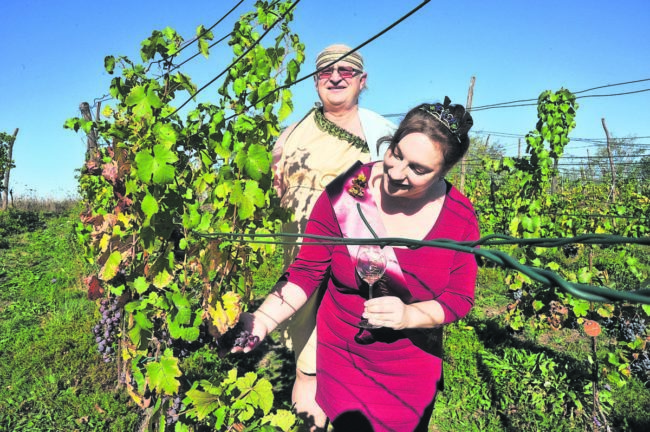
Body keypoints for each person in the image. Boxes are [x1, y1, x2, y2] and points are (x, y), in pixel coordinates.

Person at [234, 97, 479, 431]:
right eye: (396, 152)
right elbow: (306, 273)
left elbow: (458, 298)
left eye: (418, 169)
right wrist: (261, 320)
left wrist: (411, 315)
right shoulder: (349, 193)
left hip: (411, 368)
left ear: (445, 171)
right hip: (344, 358)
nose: (396, 171)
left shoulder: (459, 217)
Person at [271, 44, 396, 430]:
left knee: (361, 363)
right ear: (315, 80)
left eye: (346, 69)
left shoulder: (382, 134)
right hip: (305, 268)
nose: (336, 76)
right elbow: (276, 195)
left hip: (364, 270)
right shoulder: (289, 135)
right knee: (308, 368)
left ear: (362, 80)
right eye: (326, 71)